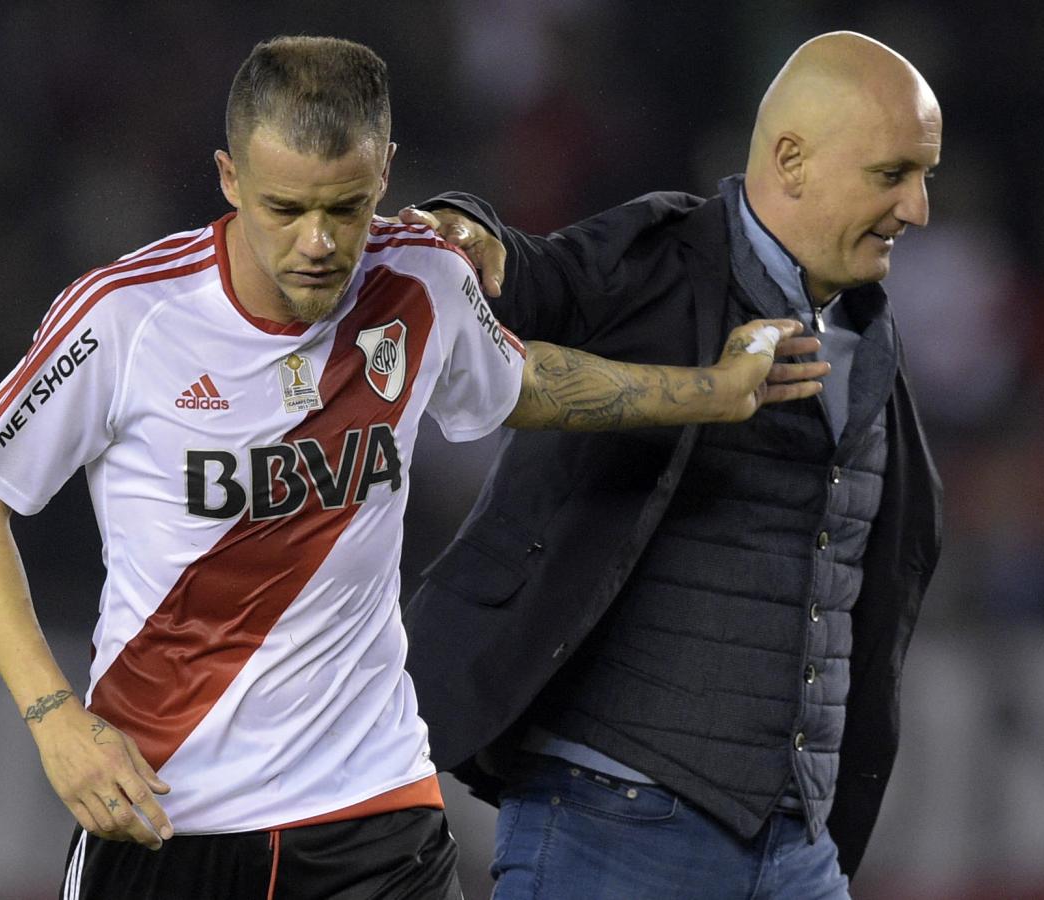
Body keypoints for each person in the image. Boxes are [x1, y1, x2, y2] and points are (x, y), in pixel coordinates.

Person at [0, 36, 828, 900]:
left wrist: (715, 391)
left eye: (346, 206)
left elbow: (522, 379)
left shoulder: (424, 279)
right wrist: (55, 719)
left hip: (373, 806)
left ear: (386, 173)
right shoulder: (127, 318)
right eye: (285, 208)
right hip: (169, 810)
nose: (318, 241)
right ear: (229, 177)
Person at [400, 31, 943, 899]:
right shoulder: (660, 258)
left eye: (925, 176)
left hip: (796, 850)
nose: (917, 208)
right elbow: (524, 276)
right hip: (609, 828)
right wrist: (468, 225)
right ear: (792, 160)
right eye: (892, 174)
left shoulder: (869, 334)